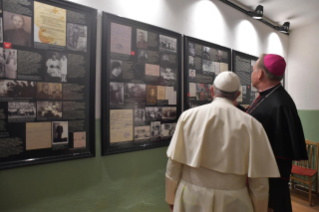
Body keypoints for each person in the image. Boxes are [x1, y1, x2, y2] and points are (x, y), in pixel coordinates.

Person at [165, 71, 280, 212]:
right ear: (237, 95)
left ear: (212, 91)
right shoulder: (253, 125)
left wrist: (171, 198)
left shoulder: (187, 117)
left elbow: (173, 165)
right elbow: (259, 181)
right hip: (233, 201)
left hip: (191, 197)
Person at [245, 54, 308, 212]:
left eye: (253, 70)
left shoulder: (281, 105)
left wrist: (271, 201)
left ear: (260, 74)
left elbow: (282, 160)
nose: (252, 74)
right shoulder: (267, 96)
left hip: (269, 192)